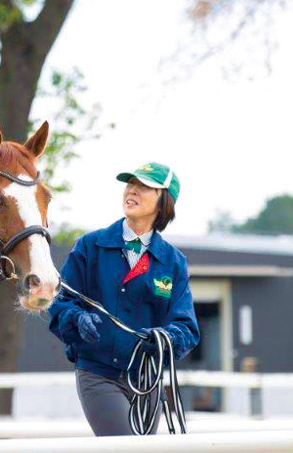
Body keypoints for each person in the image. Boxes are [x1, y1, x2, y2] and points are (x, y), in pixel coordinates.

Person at [48, 162, 199, 436]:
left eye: (144, 186)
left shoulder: (174, 262)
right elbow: (60, 302)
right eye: (130, 184)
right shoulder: (89, 246)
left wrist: (165, 337)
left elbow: (186, 327)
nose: (132, 191)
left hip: (147, 380)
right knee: (125, 447)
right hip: (98, 374)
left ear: (164, 201)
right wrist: (77, 317)